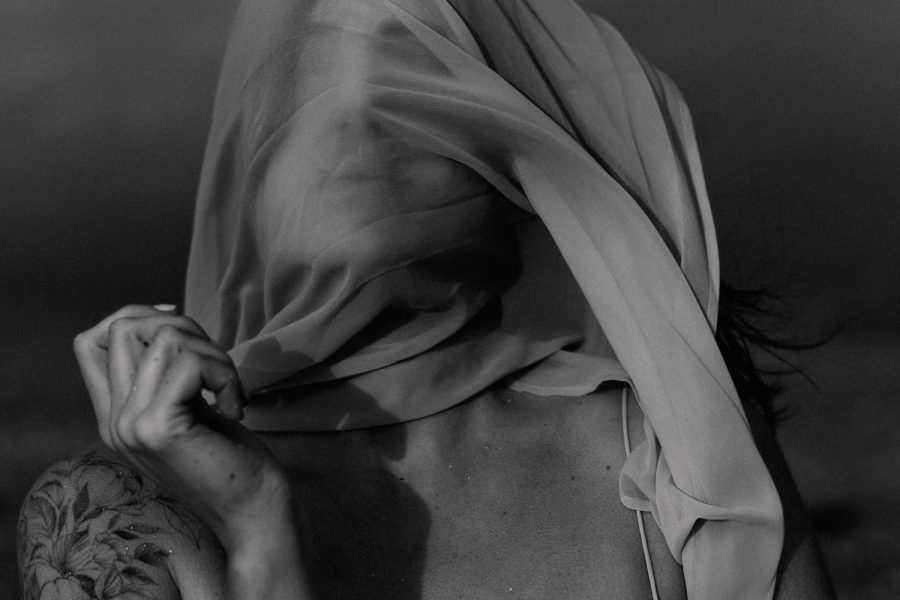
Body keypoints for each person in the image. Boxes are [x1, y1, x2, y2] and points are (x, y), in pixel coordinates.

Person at [18, 0, 835, 598]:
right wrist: (259, 526)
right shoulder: (114, 517)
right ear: (253, 156)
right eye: (314, 83)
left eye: (414, 76)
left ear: (513, 157)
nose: (359, 116)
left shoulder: (677, 458)